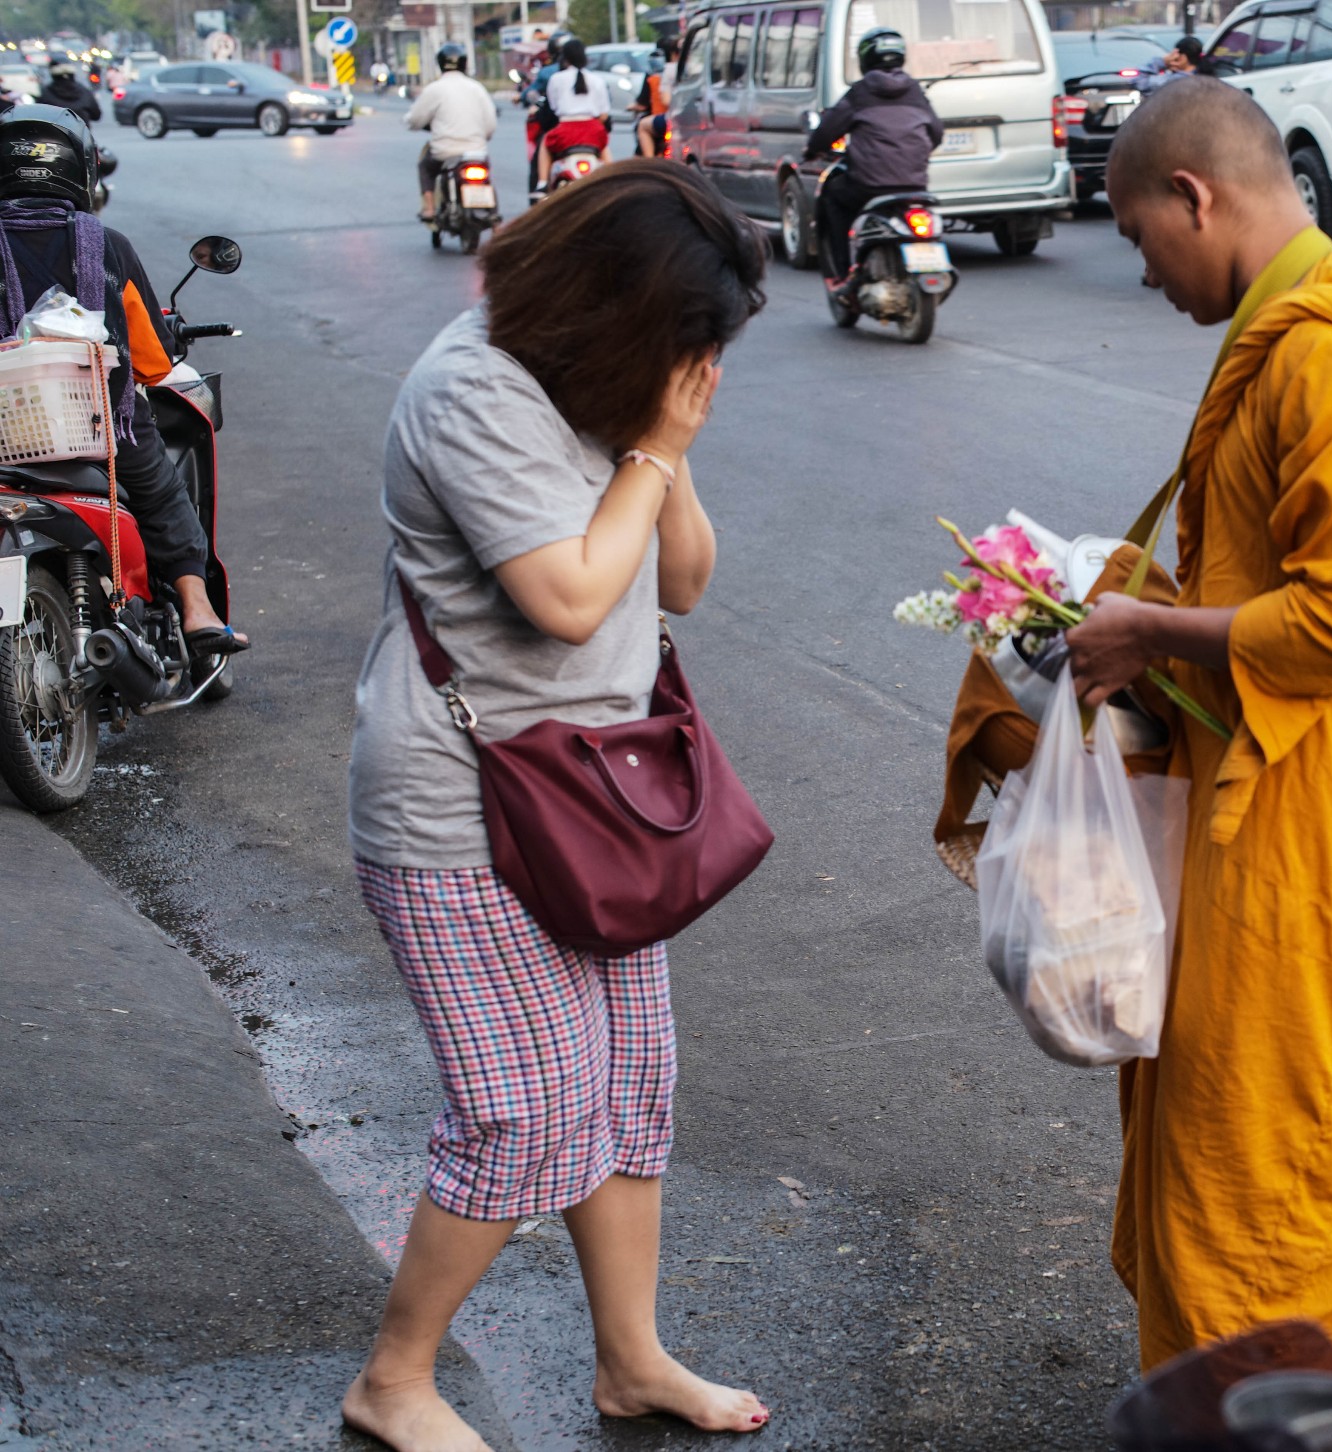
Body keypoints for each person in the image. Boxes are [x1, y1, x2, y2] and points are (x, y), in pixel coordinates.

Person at [344, 161, 769, 1452]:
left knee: (632, 1083)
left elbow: (682, 580)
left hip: (595, 801)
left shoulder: (607, 384)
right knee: (523, 1104)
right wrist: (655, 446)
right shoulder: (472, 389)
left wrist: (662, 446)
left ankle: (631, 1362)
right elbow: (574, 595)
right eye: (686, 341)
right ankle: (396, 1381)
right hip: (465, 809)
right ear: (619, 305)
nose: (697, 369)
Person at [1063, 78, 1332, 1391]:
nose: (1144, 270)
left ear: (1196, 196)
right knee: (1233, 1152)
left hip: (1306, 828)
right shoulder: (1323, 324)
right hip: (1276, 791)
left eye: (1138, 237)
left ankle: (1312, 1418)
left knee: (1278, 1175)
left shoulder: (1321, 348)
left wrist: (1149, 636)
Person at [0, 104, 245, 656]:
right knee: (162, 492)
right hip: (99, 433)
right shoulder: (107, 246)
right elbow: (155, 364)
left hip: (3, 438)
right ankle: (198, 609)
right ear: (81, 170)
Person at [803, 27, 942, 282]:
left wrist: (813, 149)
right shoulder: (914, 91)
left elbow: (829, 129)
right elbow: (937, 133)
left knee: (832, 198)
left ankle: (842, 273)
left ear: (865, 59)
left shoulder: (861, 92)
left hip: (868, 185)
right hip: (915, 184)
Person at [404, 42, 496, 224]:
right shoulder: (477, 88)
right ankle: (495, 221)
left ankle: (429, 208)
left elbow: (415, 119)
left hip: (444, 151)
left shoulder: (434, 89)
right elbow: (490, 124)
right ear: (464, 63)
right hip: (476, 152)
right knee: (487, 178)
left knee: (425, 167)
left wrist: (411, 123)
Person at [537, 37, 610, 195]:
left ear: (564, 57)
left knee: (545, 143)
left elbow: (554, 108)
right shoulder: (597, 80)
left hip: (565, 131)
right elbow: (603, 114)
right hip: (593, 130)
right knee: (604, 146)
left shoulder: (556, 79)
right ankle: (614, 181)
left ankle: (542, 183)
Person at [520, 33, 570, 196]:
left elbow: (533, 96)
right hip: (590, 130)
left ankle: (540, 188)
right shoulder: (590, 75)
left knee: (542, 149)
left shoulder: (550, 75)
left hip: (561, 129)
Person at [634, 36, 680, 158]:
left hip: (669, 119)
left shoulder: (663, 72)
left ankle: (650, 162)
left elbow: (646, 103)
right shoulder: (697, 70)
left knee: (643, 126)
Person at [1134, 36, 1205, 92]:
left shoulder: (1174, 80)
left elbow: (1140, 82)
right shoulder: (1205, 78)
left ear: (1182, 57)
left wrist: (1162, 62)